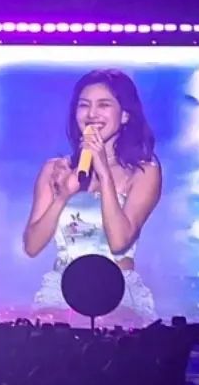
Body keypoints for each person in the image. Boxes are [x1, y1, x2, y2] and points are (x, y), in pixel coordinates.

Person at [23, 69, 161, 325]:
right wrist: (62, 196)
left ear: (125, 115)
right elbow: (32, 246)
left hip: (116, 293)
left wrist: (104, 172)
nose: (92, 114)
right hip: (62, 293)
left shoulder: (144, 171)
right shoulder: (55, 169)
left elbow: (119, 242)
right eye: (84, 105)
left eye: (104, 105)